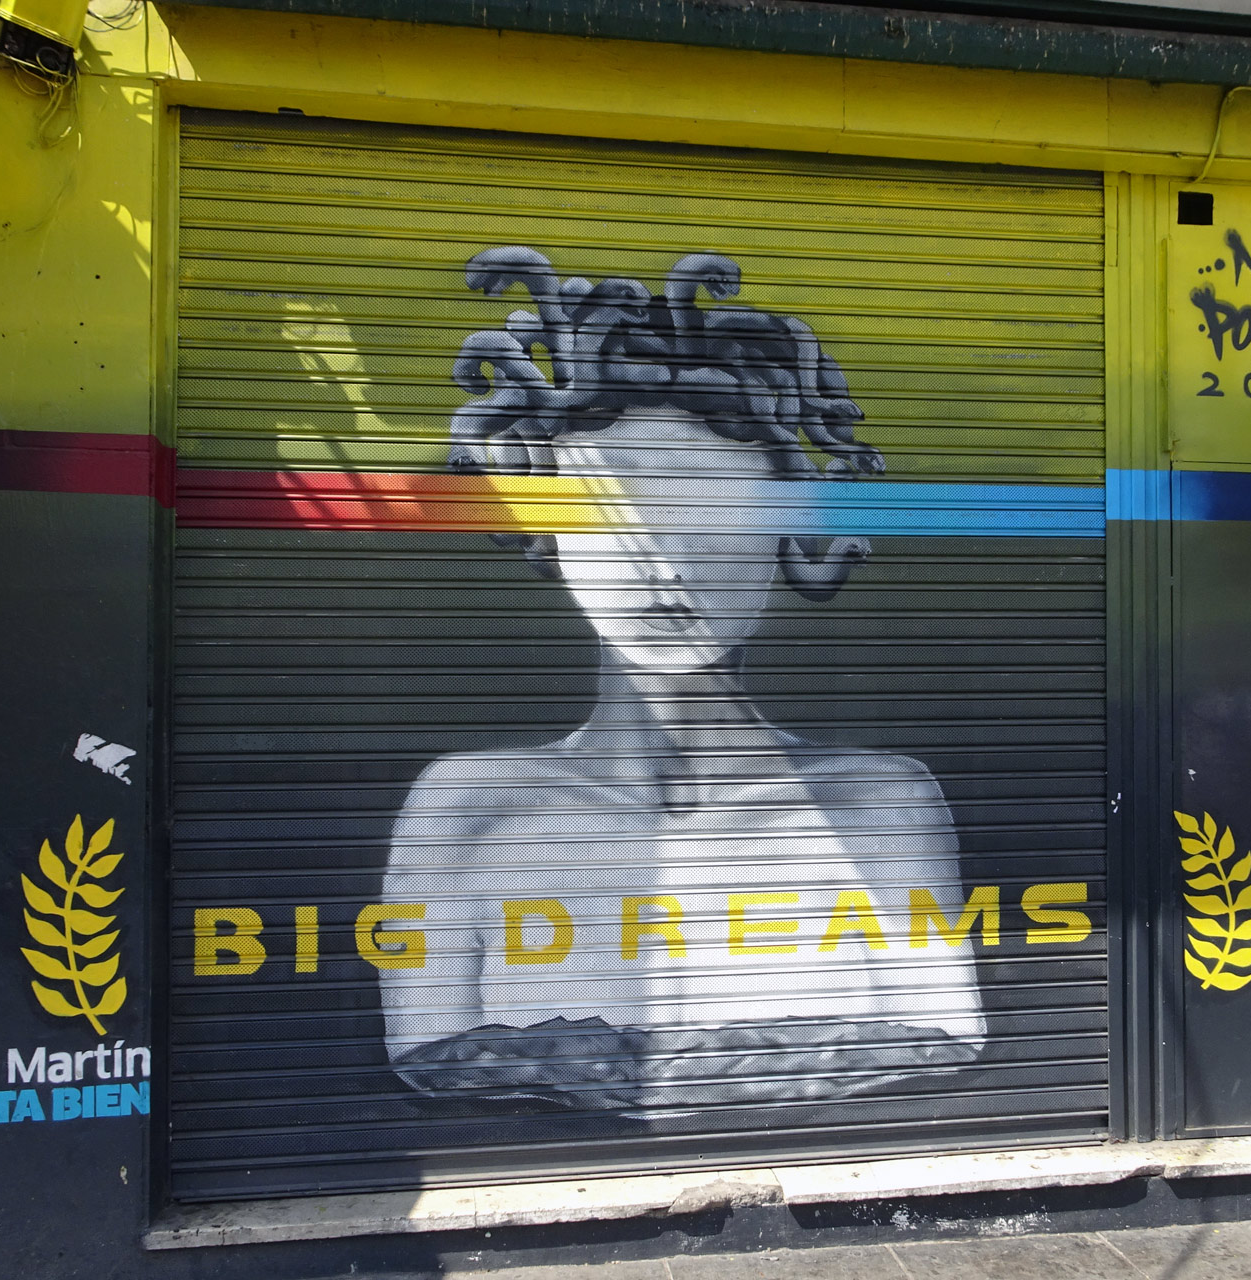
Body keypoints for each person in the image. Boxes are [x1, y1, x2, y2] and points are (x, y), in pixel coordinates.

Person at [375, 250, 988, 1111]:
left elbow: (946, 1038)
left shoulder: (877, 800)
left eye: (715, 507)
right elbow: (423, 1056)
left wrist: (616, 1063)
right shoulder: (467, 806)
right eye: (611, 506)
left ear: (790, 529)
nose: (662, 561)